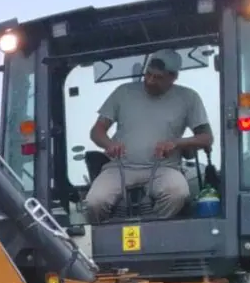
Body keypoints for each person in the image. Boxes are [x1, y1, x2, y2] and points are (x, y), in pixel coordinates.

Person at [83, 48, 214, 224]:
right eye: (148, 74)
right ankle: (104, 237)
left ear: (173, 77)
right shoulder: (123, 92)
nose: (150, 81)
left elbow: (206, 138)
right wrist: (108, 144)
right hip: (120, 167)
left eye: (158, 77)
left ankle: (153, 231)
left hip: (164, 168)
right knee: (94, 202)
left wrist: (175, 143)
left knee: (178, 193)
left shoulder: (189, 97)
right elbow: (96, 131)